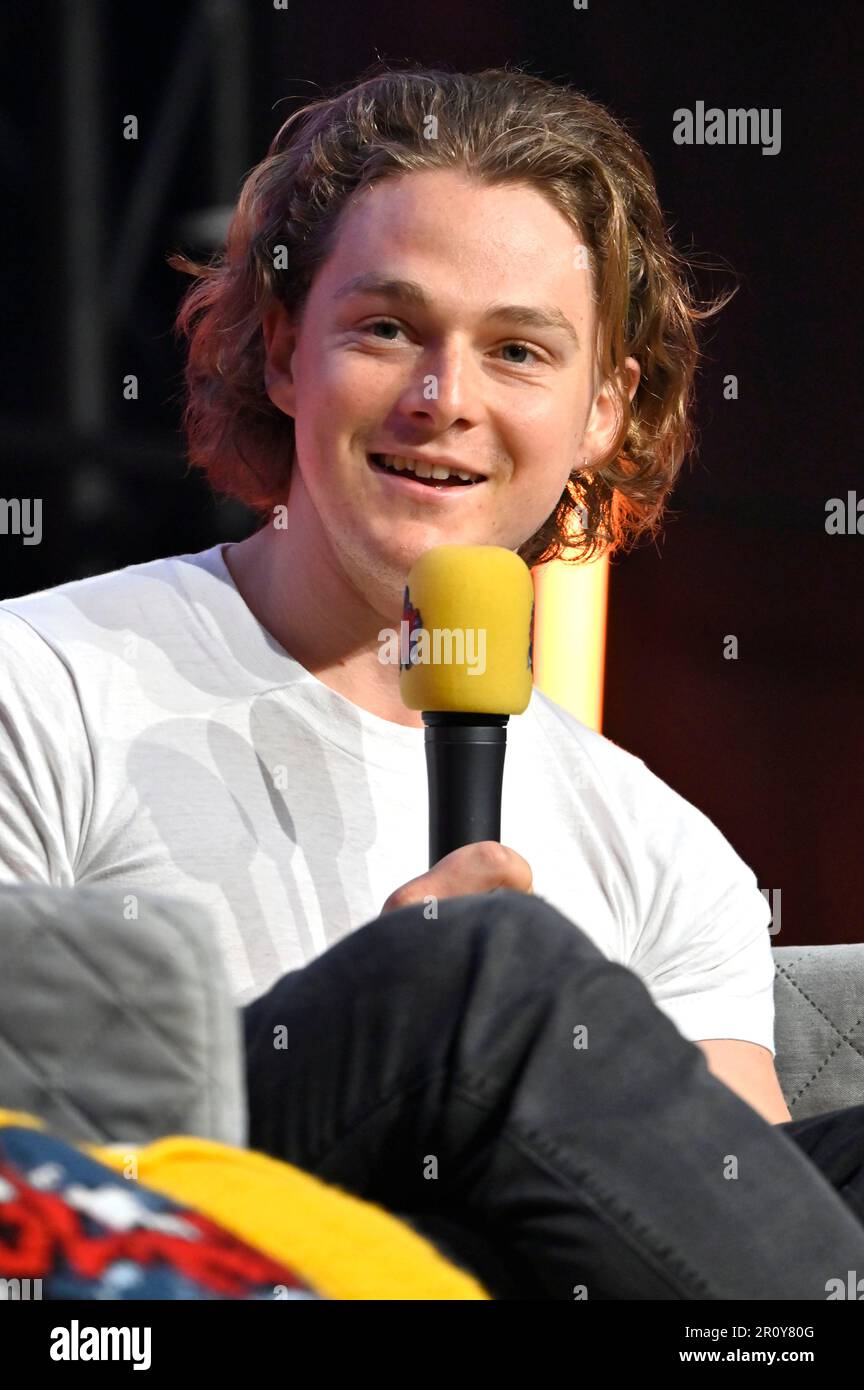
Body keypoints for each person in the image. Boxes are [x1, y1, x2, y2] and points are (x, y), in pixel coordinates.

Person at [1, 65, 863, 1298]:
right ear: (290, 351)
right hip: (165, 1256)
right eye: (389, 328)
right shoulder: (41, 681)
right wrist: (423, 1028)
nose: (442, 401)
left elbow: (734, 1220)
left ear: (604, 410)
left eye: (517, 350)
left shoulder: (666, 852)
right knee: (476, 966)